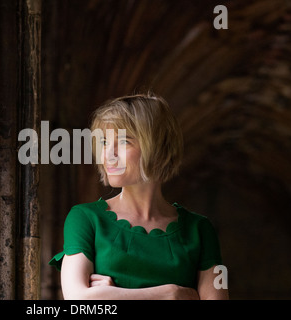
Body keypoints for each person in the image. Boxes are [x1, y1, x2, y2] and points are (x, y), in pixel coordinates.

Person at [49, 92, 229, 300]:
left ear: (158, 148)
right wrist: (170, 294)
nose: (108, 155)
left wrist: (112, 294)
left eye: (124, 141)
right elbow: (79, 299)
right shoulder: (84, 218)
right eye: (105, 142)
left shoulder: (201, 230)